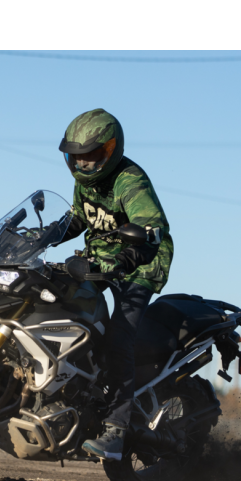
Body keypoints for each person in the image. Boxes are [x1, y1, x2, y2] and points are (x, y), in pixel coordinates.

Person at [58, 108, 173, 461]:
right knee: (64, 308)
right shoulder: (83, 182)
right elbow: (79, 218)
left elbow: (152, 232)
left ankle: (116, 431)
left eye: (93, 156)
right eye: (77, 157)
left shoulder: (130, 181)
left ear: (111, 150)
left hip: (140, 264)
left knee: (119, 337)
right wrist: (39, 235)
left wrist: (124, 261)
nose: (83, 164)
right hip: (99, 259)